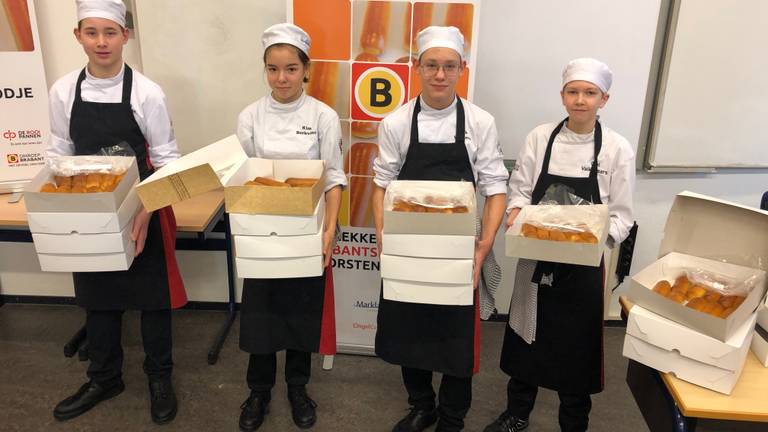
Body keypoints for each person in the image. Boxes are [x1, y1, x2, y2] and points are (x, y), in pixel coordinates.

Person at [46, 0, 186, 425]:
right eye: (92, 32)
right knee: (98, 299)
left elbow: (167, 161)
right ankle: (104, 377)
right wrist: (67, 213)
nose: (101, 42)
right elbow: (59, 155)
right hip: (89, 215)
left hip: (144, 209)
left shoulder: (147, 93)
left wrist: (143, 212)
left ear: (126, 35)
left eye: (110, 32)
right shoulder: (62, 92)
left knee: (152, 301)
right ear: (78, 37)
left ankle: (159, 378)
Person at [484, 58, 635, 432]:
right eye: (573, 92)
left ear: (604, 99)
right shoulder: (540, 137)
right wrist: (516, 216)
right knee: (524, 337)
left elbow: (622, 216)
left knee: (577, 349)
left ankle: (574, 422)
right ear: (562, 95)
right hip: (535, 257)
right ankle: (517, 414)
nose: (580, 100)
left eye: (589, 93)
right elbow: (518, 191)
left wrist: (592, 241)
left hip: (583, 267)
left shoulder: (617, 148)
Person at [372, 26, 508, 432]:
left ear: (462, 69)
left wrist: (484, 244)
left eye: (449, 66)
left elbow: (496, 188)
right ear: (417, 67)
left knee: (455, 338)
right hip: (409, 248)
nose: (439, 75)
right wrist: (385, 238)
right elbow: (381, 185)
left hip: (458, 251)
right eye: (431, 65)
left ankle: (452, 417)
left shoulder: (480, 122)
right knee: (408, 330)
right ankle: (421, 406)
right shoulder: (396, 123)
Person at [234, 23, 345, 432]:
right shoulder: (250, 116)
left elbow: (333, 179)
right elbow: (241, 177)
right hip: (263, 232)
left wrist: (329, 232)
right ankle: (258, 391)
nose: (282, 78)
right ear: (265, 70)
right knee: (261, 318)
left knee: (301, 316)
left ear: (306, 70)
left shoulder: (323, 116)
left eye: (291, 69)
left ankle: (298, 387)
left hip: (307, 232)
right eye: (273, 69)